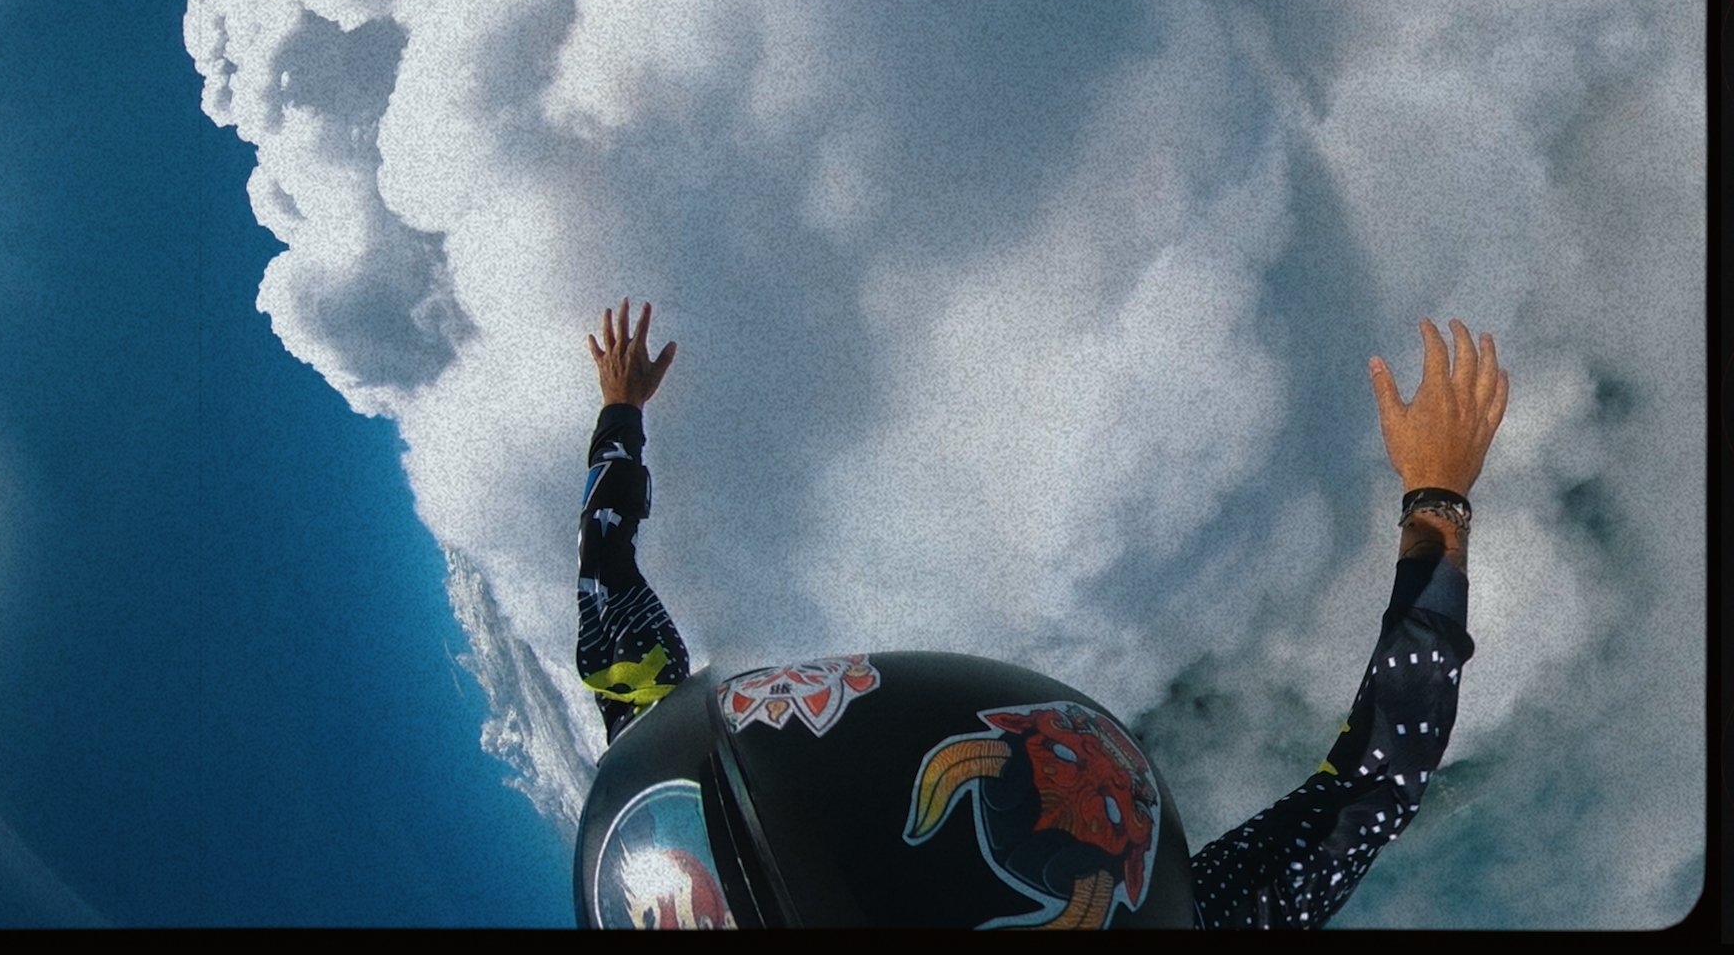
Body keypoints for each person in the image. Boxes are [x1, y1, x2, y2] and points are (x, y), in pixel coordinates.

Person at [572, 299, 1508, 930]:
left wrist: (622, 410)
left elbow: (606, 562)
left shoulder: (653, 736)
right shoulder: (664, 741)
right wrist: (1437, 496)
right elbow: (1370, 788)